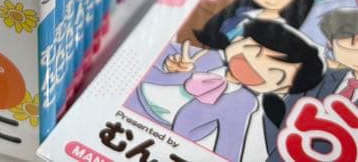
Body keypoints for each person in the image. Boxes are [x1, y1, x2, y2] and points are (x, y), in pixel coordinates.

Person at [126, 22, 324, 161]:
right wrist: (170, 68)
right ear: (238, 40)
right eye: (253, 49)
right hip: (133, 103)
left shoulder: (243, 103)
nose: (255, 64)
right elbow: (141, 54)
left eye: (274, 71)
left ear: (283, 89)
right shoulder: (205, 56)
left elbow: (230, 146)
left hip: (160, 139)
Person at [262, 8, 358, 158]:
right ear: (331, 44)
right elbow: (277, 114)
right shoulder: (316, 76)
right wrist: (278, 149)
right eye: (351, 44)